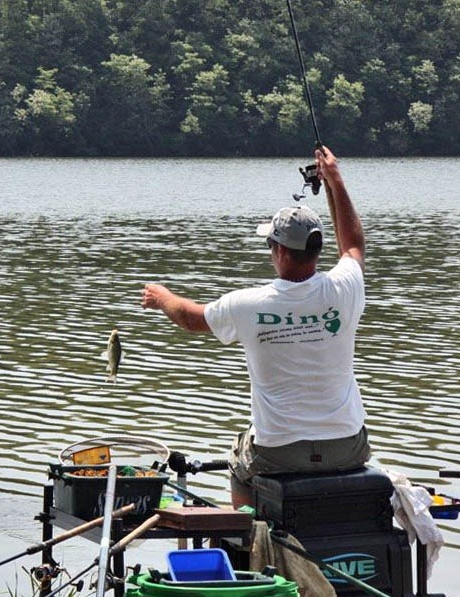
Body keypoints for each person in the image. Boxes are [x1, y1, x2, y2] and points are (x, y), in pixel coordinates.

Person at [141, 145, 370, 507]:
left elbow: (189, 318)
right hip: (348, 447)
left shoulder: (247, 304)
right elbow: (353, 246)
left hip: (277, 452)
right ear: (316, 249)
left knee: (238, 461)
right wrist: (335, 181)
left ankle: (251, 540)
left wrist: (161, 297)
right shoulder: (346, 288)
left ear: (280, 251)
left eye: (270, 244)